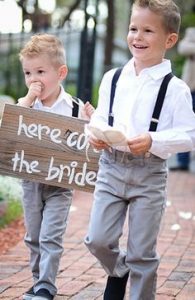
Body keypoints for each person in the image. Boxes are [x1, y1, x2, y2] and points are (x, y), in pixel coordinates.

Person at [84, 1, 195, 300]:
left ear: (170, 40)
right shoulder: (113, 78)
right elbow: (99, 117)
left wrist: (154, 141)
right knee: (97, 239)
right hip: (111, 166)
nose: (138, 37)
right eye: (134, 28)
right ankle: (118, 271)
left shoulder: (176, 89)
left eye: (148, 30)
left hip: (149, 174)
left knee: (142, 253)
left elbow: (189, 135)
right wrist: (93, 134)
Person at [17, 33, 94, 300]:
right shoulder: (28, 104)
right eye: (28, 72)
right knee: (34, 235)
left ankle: (47, 285)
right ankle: (38, 281)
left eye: (40, 71)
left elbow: (88, 142)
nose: (33, 79)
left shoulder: (73, 108)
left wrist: (91, 122)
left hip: (60, 183)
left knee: (50, 235)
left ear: (60, 72)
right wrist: (27, 100)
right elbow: (12, 125)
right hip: (31, 181)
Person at [170, 26, 195, 171]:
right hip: (191, 88)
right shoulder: (192, 31)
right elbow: (183, 48)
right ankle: (183, 163)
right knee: (185, 124)